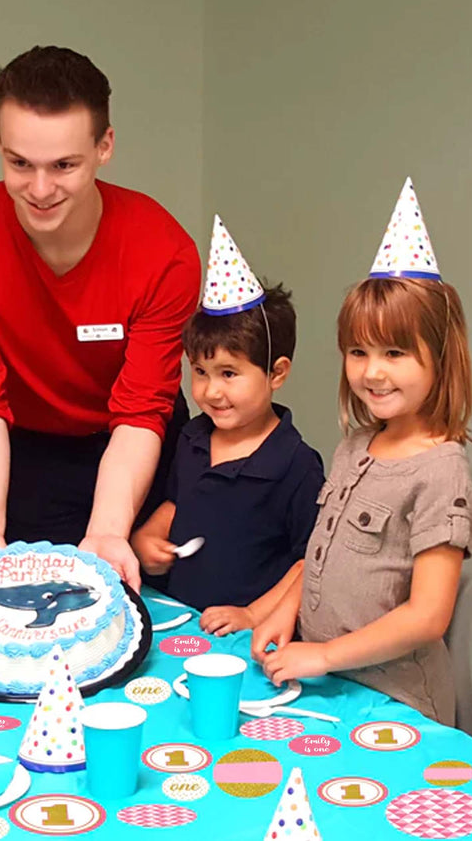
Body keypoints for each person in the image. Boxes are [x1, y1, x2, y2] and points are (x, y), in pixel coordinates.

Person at [0, 46, 200, 590]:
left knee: (149, 604)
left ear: (104, 147)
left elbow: (142, 409)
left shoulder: (164, 252)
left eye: (63, 165)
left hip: (136, 440)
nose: (40, 190)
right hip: (26, 448)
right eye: (19, 163)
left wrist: (109, 530)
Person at [252, 178, 472, 725]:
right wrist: (287, 612)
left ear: (441, 359)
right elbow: (323, 555)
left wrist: (326, 654)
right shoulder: (356, 447)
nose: (371, 371)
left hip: (399, 706)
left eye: (395, 352)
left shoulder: (441, 471)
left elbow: (428, 615)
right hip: (331, 686)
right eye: (358, 351)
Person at [131, 214, 324, 632]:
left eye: (228, 374)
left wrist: (254, 615)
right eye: (200, 372)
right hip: (181, 620)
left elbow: (312, 562)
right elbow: (178, 503)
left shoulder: (296, 465)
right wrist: (147, 535)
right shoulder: (193, 436)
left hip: (249, 636)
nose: (211, 391)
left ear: (277, 373)